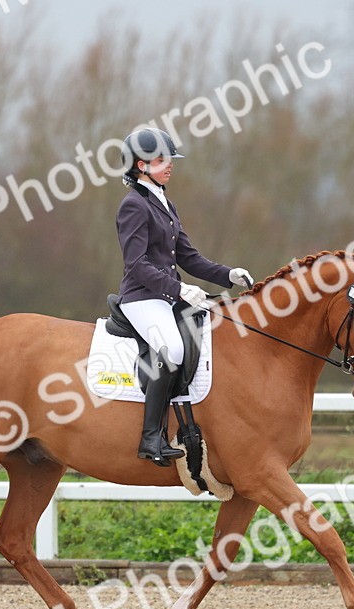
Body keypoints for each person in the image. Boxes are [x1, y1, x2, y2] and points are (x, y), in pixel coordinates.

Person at [115, 127, 254, 466]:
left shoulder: (164, 201)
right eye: (161, 160)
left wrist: (227, 275)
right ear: (139, 165)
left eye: (169, 160)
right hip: (142, 298)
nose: (169, 165)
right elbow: (136, 265)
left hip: (166, 296)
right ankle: (151, 438)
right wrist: (179, 288)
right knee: (173, 348)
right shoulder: (133, 206)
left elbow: (189, 258)